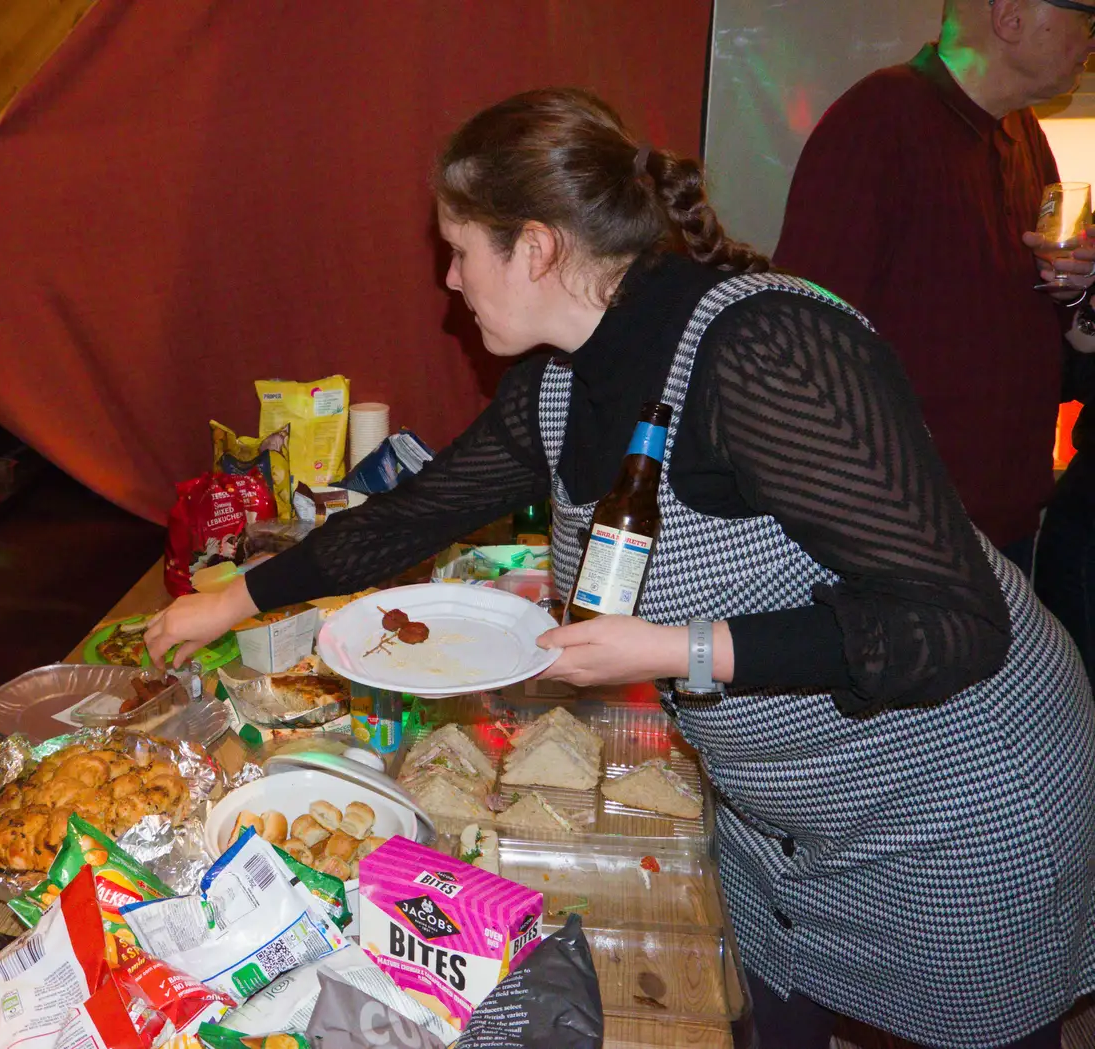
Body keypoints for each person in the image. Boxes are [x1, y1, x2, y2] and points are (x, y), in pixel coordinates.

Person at [145, 88, 1095, 1049]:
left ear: (536, 247)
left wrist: (679, 649)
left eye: (460, 250)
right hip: (781, 814)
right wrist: (230, 600)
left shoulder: (766, 350)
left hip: (959, 801)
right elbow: (417, 512)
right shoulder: (563, 379)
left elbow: (951, 622)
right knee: (757, 1022)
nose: (450, 280)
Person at [772, 0, 1095, 664]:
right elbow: (804, 338)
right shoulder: (880, 120)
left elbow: (1023, 319)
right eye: (1087, 14)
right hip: (903, 539)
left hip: (1002, 524)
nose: (1091, 37)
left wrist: (1074, 288)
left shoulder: (1024, 134)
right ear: (1010, 17)